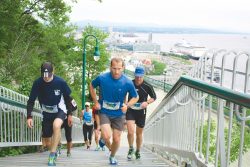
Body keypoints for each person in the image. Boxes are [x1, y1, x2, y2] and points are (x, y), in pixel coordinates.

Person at [89, 57, 139, 165]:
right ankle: (106, 141)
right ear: (110, 67)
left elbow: (136, 97)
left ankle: (112, 156)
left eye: (119, 69)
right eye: (114, 68)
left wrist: (127, 105)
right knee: (107, 136)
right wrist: (95, 102)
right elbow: (91, 86)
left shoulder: (127, 82)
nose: (116, 71)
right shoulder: (102, 78)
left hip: (119, 114)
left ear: (123, 68)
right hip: (104, 112)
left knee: (116, 139)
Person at [26, 62, 76, 166]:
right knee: (47, 142)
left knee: (56, 125)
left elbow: (68, 99)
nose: (46, 78)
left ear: (52, 72)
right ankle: (55, 146)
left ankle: (52, 155)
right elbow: (30, 101)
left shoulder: (60, 82)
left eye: (48, 76)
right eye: (44, 76)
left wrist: (70, 114)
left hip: (59, 110)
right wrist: (29, 116)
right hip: (46, 113)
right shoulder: (37, 83)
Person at [126, 66, 156, 160]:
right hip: (130, 109)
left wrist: (147, 102)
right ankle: (131, 148)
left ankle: (138, 150)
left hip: (141, 111)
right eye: (137, 76)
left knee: (139, 134)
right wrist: (125, 103)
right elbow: (123, 93)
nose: (138, 78)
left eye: (140, 76)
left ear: (143, 75)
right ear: (134, 74)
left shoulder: (147, 86)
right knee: (130, 132)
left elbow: (154, 97)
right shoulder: (130, 83)